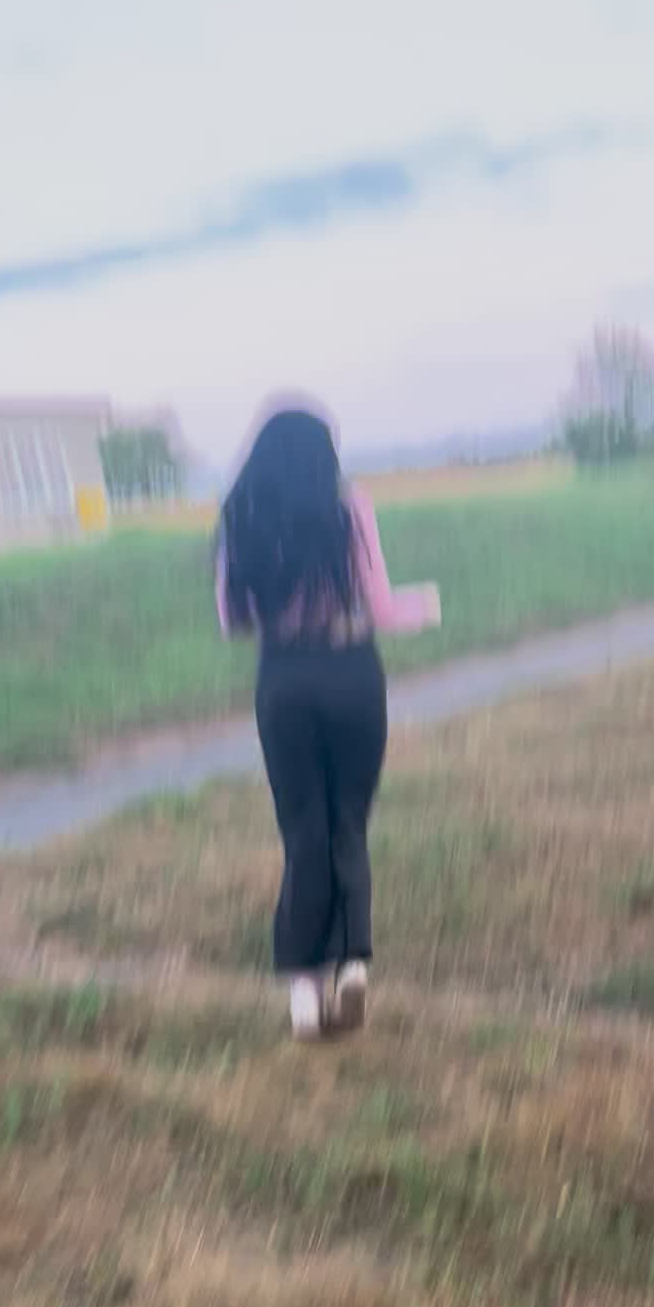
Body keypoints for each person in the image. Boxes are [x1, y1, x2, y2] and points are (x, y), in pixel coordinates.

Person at [215, 399, 440, 1039]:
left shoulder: (241, 513)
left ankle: (303, 995)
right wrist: (428, 604)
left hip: (284, 680)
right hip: (351, 675)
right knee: (348, 825)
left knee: (302, 830)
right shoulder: (349, 508)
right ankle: (352, 968)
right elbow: (382, 607)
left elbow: (232, 622)